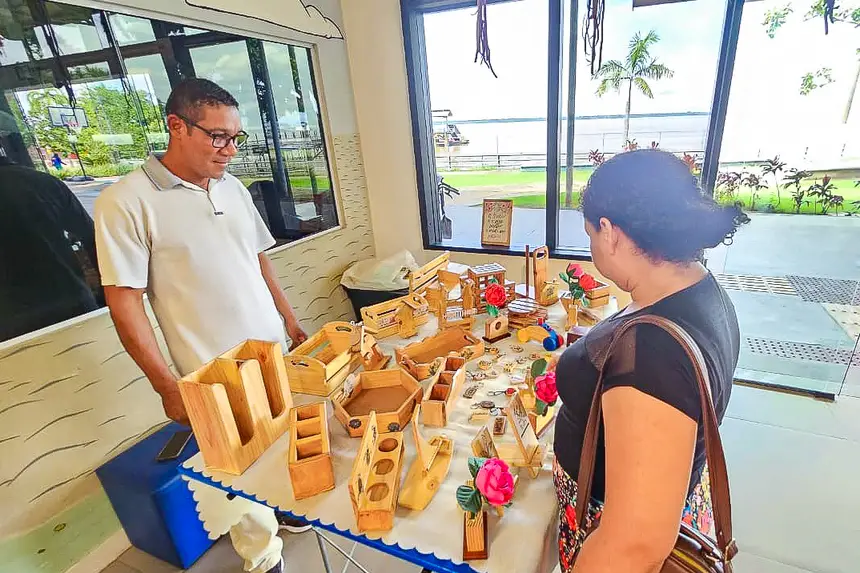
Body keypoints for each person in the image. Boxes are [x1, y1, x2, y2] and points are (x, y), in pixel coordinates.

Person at [94, 78, 309, 573]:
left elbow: (258, 261)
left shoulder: (232, 187)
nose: (230, 150)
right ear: (176, 126)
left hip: (271, 350)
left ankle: (288, 509)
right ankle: (263, 559)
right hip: (211, 372)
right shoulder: (125, 201)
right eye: (218, 137)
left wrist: (291, 321)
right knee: (235, 473)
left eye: (236, 138)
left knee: (283, 441)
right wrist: (166, 385)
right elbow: (124, 305)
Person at [552, 149, 746, 572]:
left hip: (606, 528)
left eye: (590, 235)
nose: (592, 249)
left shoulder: (653, 356)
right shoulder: (697, 287)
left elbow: (633, 544)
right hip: (670, 496)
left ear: (610, 232)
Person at [0, 153, 100, 342]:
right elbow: (93, 239)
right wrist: (106, 297)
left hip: (8, 323)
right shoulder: (43, 183)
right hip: (71, 302)